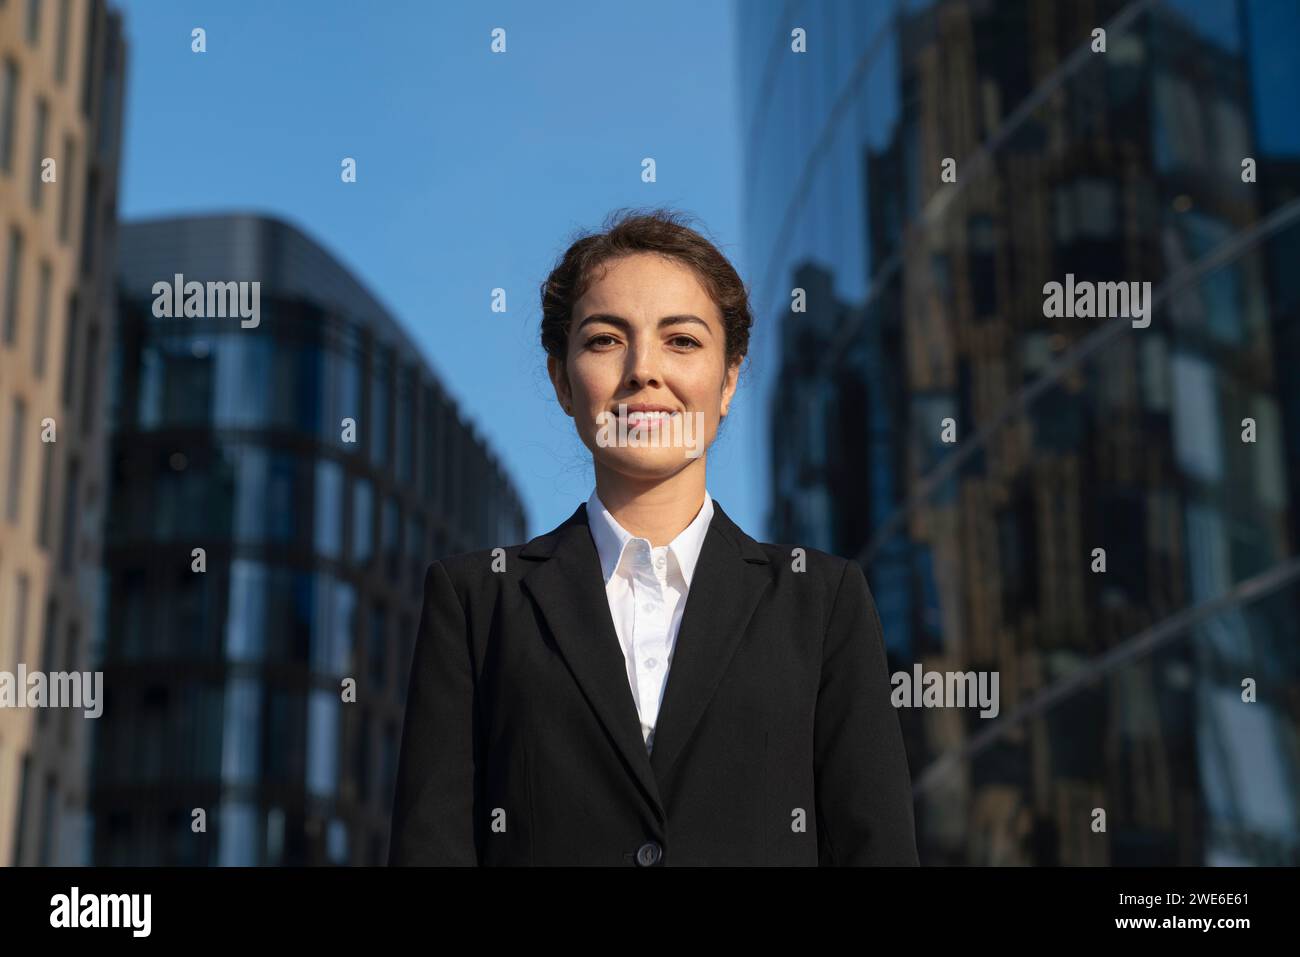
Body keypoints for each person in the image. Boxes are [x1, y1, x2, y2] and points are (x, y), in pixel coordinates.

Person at [388, 207, 918, 866]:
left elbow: (876, 849)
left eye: (683, 341)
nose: (644, 370)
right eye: (606, 339)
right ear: (561, 379)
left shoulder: (822, 603)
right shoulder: (475, 602)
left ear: (728, 379)